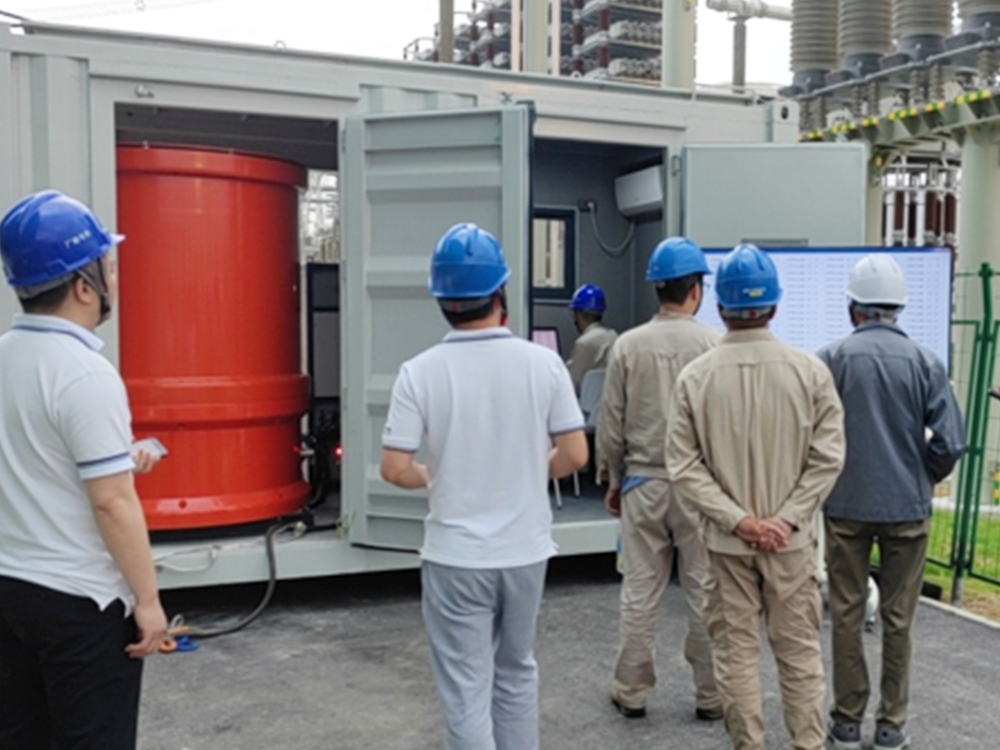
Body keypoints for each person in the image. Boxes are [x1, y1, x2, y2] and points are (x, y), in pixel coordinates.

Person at [380, 223, 588, 750]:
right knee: (516, 672)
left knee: (466, 688)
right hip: (525, 552)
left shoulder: (419, 372)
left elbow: (394, 468)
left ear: (442, 301)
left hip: (456, 556)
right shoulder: (543, 364)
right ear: (500, 293)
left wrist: (433, 475)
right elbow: (575, 455)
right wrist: (526, 471)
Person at [0, 190, 168, 749]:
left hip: (11, 587)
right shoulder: (85, 373)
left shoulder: (5, 356)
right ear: (83, 285)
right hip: (79, 602)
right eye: (109, 267)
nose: (114, 279)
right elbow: (111, 502)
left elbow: (32, 455)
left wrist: (117, 458)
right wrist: (148, 602)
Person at [666, 243, 846, 750]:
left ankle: (749, 744)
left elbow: (683, 465)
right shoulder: (810, 372)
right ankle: (808, 742)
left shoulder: (696, 377)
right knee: (799, 652)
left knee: (736, 653)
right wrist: (786, 519)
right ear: (775, 304)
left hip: (727, 544)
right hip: (790, 545)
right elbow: (828, 457)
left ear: (719, 305)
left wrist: (738, 521)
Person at [818, 254, 965, 750]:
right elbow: (951, 442)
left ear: (853, 307)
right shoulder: (925, 362)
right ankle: (890, 726)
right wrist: (924, 474)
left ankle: (845, 721)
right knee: (900, 619)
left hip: (845, 504)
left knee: (846, 613)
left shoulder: (831, 359)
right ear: (898, 308)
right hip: (907, 506)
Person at [597, 237, 722, 721]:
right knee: (704, 591)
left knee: (639, 592)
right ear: (696, 290)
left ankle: (631, 690)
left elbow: (611, 422)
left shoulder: (628, 345)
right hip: (699, 488)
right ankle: (710, 696)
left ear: (656, 288)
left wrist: (612, 478)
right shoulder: (713, 345)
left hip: (642, 483)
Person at [566, 283, 617, 393]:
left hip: (585, 402)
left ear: (579, 315)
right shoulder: (613, 336)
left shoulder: (583, 343)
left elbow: (571, 384)